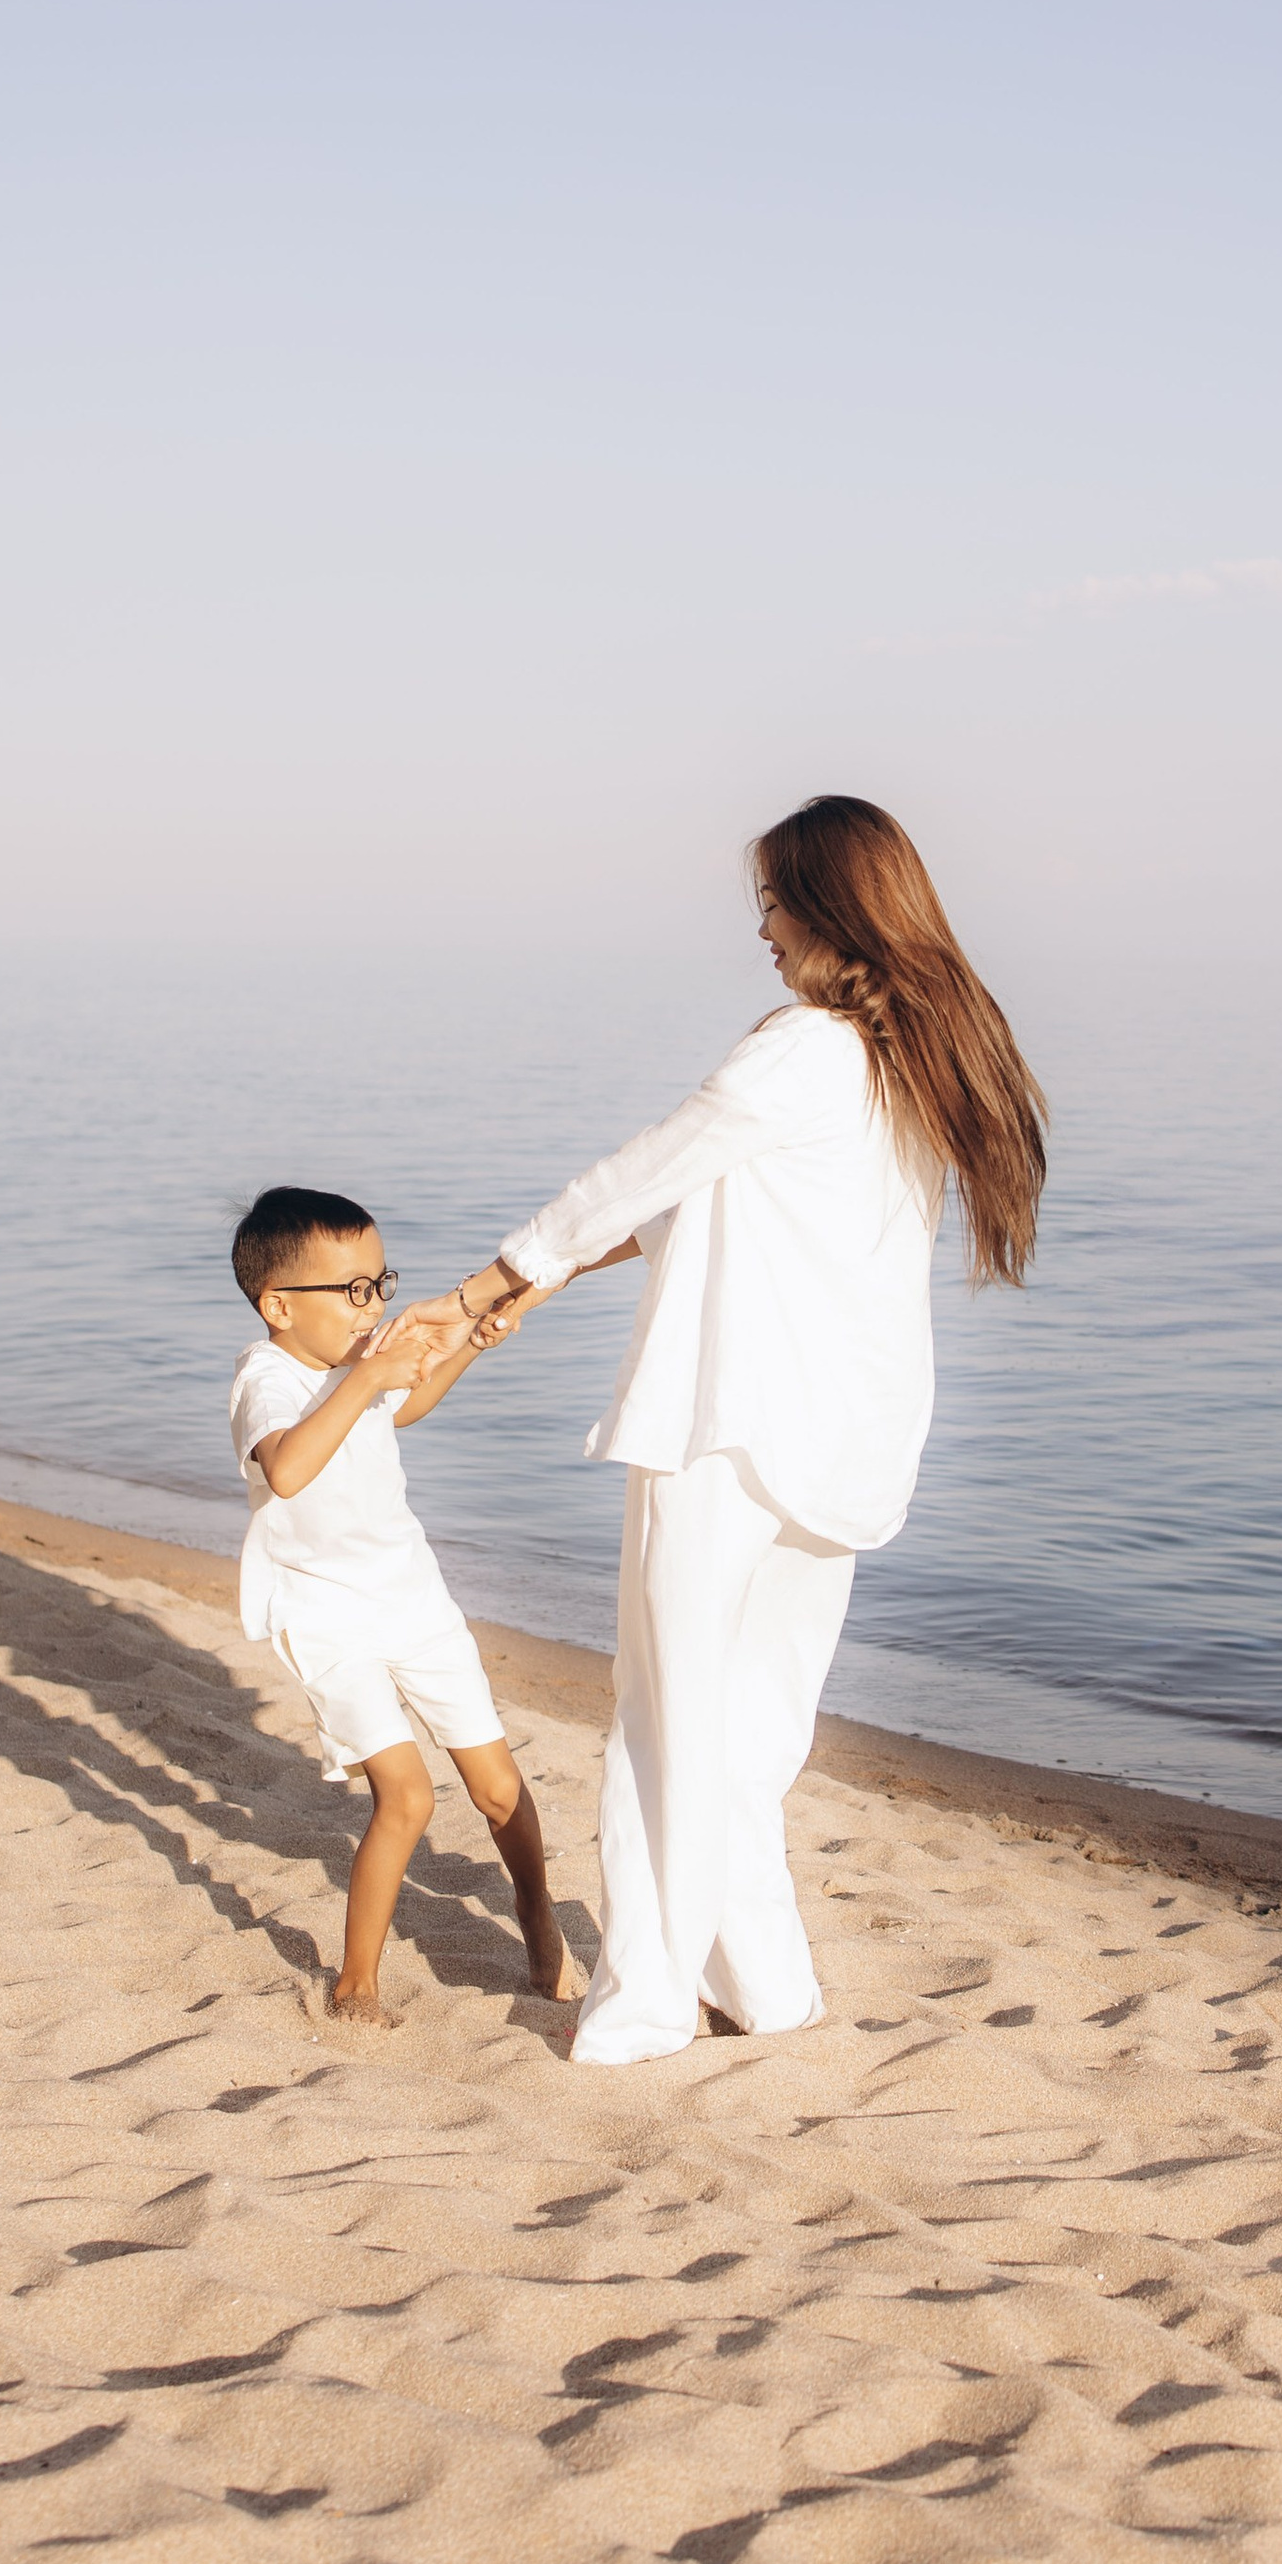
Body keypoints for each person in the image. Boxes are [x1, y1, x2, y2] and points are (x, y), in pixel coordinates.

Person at [450, 796, 1044, 2066]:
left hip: (728, 1423)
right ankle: (767, 1986)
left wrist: (485, 1287)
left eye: (773, 903)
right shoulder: (908, 1066)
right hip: (841, 1441)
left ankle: (649, 2000)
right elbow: (691, 1209)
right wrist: (536, 1287)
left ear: (832, 910)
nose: (763, 932)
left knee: (670, 1716)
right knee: (755, 1731)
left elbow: (641, 1170)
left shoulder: (800, 1051)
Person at [228, 1184, 569, 2028]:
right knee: (407, 1797)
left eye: (379, 1283)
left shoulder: (357, 1362)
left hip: (414, 1599)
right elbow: (288, 1470)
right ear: (278, 1305)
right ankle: (357, 1983)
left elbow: (403, 1405)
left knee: (497, 1790)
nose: (372, 1304)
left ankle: (538, 1919)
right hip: (325, 1617)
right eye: (351, 1291)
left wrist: (470, 1346)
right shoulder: (265, 1379)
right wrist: (366, 1370)